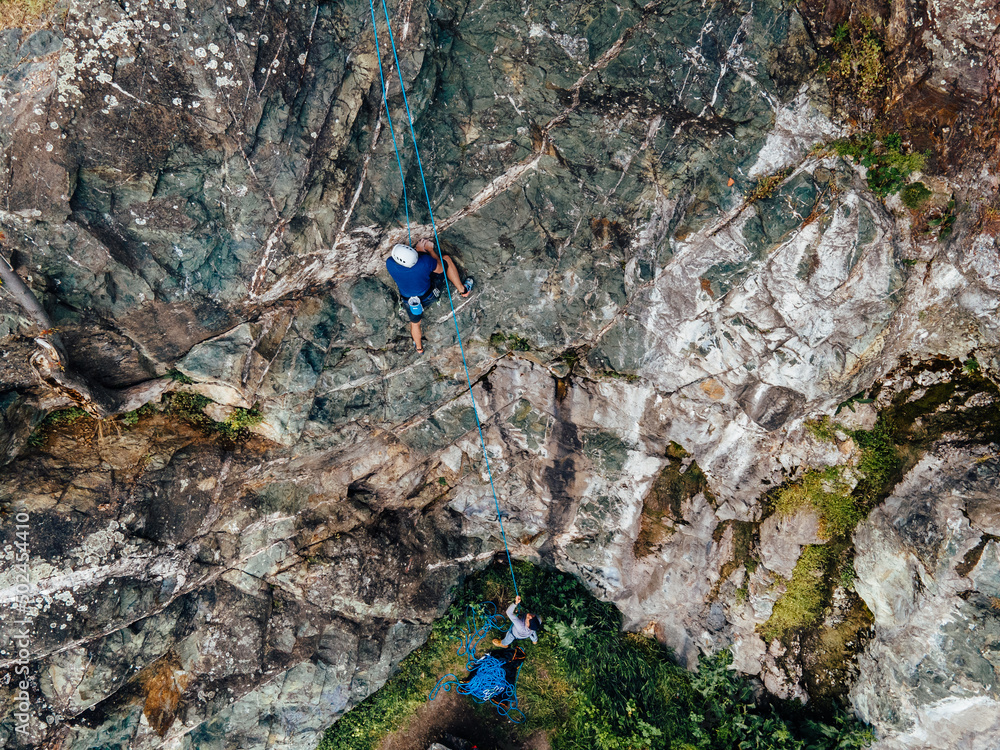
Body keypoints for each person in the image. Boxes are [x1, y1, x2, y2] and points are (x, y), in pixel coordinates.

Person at [385, 238, 472, 353]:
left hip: (409, 302)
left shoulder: (389, 263)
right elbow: (440, 269)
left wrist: (420, 253)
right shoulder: (425, 261)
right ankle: (463, 290)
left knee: (415, 324)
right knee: (446, 259)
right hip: (429, 295)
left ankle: (419, 348)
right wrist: (429, 250)